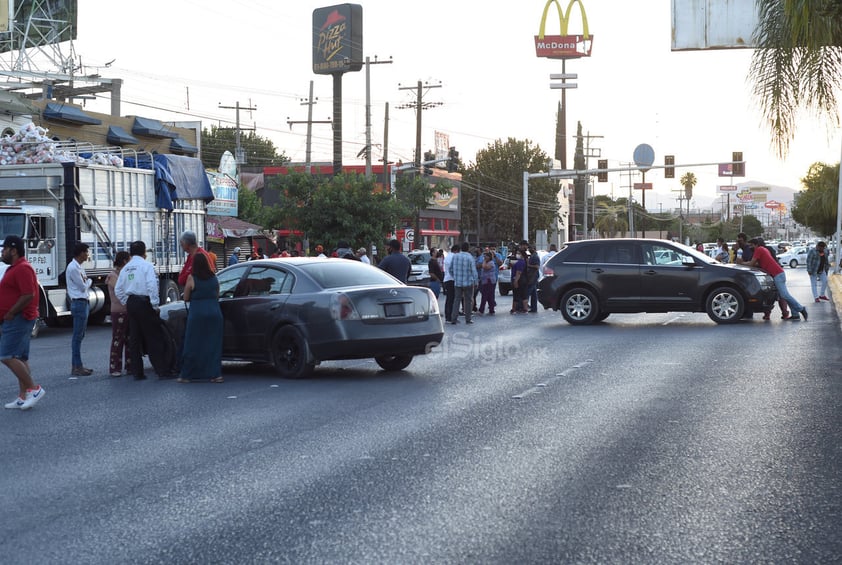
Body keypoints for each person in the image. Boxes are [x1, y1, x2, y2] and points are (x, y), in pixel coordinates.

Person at [115, 241, 175, 380]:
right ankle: (162, 371)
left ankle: (137, 372)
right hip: (144, 303)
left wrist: (127, 301)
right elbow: (152, 286)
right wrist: (155, 305)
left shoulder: (126, 268)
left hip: (132, 303)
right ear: (144, 253)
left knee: (135, 339)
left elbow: (119, 289)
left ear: (130, 253)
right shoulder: (147, 266)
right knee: (153, 337)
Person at [1, 236, 46, 410]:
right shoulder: (13, 268)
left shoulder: (23, 268)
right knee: (20, 357)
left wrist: (11, 312)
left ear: (14, 250)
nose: (2, 252)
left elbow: (28, 294)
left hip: (19, 318)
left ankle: (34, 389)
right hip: (14, 318)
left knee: (6, 356)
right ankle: (23, 396)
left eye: (4, 249)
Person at [177, 252, 224, 384]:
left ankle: (187, 375)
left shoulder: (192, 278)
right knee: (213, 345)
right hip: (215, 312)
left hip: (197, 313)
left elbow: (186, 297)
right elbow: (217, 294)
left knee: (193, 344)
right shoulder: (214, 277)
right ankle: (216, 375)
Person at [747, 237, 807, 321]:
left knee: (784, 295)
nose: (750, 247)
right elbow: (758, 264)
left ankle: (801, 309)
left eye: (751, 245)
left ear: (756, 245)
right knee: (785, 295)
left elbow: (751, 263)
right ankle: (795, 314)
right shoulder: (763, 249)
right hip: (778, 274)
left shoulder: (759, 250)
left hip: (777, 274)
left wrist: (741, 263)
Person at [66, 241, 94, 376]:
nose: (87, 255)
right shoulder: (73, 268)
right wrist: (89, 281)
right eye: (86, 252)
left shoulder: (79, 267)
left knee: (80, 335)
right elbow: (83, 286)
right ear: (81, 253)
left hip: (83, 302)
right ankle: (77, 366)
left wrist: (86, 281)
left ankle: (77, 365)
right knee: (77, 337)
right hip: (79, 303)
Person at [106, 251, 132, 377]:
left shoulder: (124, 274)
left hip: (128, 310)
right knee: (118, 339)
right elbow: (121, 290)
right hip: (118, 311)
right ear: (124, 261)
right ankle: (115, 367)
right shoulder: (112, 276)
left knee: (129, 339)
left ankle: (129, 365)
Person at [448, 241, 478, 324]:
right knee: (468, 301)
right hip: (468, 282)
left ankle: (453, 318)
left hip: (457, 283)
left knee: (456, 300)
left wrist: (455, 276)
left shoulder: (455, 256)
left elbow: (450, 269)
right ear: (468, 248)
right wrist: (476, 282)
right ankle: (468, 319)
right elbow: (474, 271)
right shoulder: (470, 257)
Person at [477, 251, 498, 315]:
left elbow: (485, 267)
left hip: (489, 281)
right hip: (485, 281)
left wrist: (484, 261)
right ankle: (491, 310)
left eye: (486, 256)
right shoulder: (488, 262)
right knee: (489, 296)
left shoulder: (491, 263)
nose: (485, 257)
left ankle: (482, 310)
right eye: (484, 256)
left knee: (485, 295)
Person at [442, 244, 458, 321]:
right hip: (452, 279)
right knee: (452, 299)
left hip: (446, 279)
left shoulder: (447, 256)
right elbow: (454, 269)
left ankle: (448, 315)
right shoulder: (453, 257)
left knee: (449, 299)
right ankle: (450, 316)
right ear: (456, 251)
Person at [526, 245, 541, 313]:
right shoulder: (532, 256)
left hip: (533, 276)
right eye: (529, 248)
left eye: (531, 248)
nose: (529, 249)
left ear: (534, 249)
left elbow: (537, 266)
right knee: (534, 294)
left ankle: (525, 306)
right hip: (533, 276)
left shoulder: (535, 256)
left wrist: (528, 265)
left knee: (528, 292)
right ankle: (534, 308)